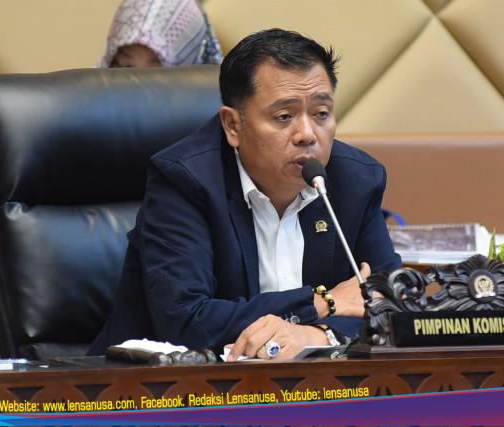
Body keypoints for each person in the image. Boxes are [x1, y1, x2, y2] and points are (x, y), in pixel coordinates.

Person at [90, 28, 401, 360]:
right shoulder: (184, 181)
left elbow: (394, 306)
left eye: (321, 114)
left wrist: (318, 334)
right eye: (284, 117)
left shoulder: (356, 181)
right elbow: (187, 321)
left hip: (309, 386)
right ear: (233, 126)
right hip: (154, 384)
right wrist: (323, 303)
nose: (307, 134)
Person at [99, 0, 223, 68]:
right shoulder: (92, 98)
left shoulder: (210, 105)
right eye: (125, 67)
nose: (134, 83)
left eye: (153, 74)